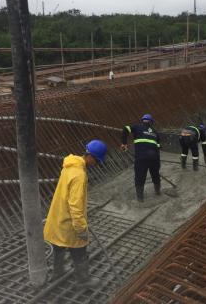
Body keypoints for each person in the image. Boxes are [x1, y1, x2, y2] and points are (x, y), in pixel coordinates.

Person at [43, 139, 107, 284]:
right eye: (96, 161)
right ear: (90, 157)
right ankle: (84, 280)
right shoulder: (79, 175)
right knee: (79, 251)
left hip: (57, 218)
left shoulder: (69, 165)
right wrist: (81, 229)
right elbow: (76, 206)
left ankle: (58, 274)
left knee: (58, 247)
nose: (96, 165)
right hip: (69, 222)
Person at [121, 114, 161, 202]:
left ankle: (140, 198)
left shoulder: (137, 127)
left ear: (142, 120)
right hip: (154, 158)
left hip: (141, 158)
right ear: (151, 122)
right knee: (155, 175)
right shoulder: (155, 132)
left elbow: (125, 129)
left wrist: (124, 143)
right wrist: (157, 163)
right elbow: (158, 148)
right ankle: (157, 192)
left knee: (140, 177)